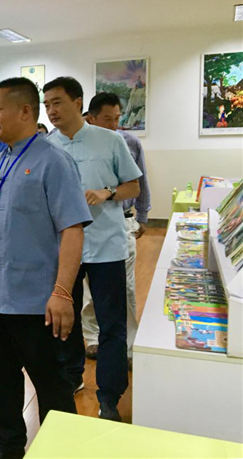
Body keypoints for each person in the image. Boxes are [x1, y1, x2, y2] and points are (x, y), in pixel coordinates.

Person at [0, 77, 92, 459]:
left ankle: (61, 452)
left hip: (35, 304)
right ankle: (7, 447)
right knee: (0, 381)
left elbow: (72, 229)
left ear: (25, 111)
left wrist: (62, 292)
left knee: (51, 385)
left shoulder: (54, 161)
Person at [44, 77, 142, 422]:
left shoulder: (110, 140)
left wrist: (107, 192)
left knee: (111, 323)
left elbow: (133, 186)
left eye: (57, 102)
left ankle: (110, 396)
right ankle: (71, 376)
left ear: (77, 103)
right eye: (46, 105)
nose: (51, 111)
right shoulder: (47, 146)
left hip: (106, 247)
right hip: (63, 251)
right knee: (63, 320)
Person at [82, 92, 152, 362]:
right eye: (107, 119)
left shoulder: (129, 142)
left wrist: (142, 215)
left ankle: (129, 346)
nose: (114, 125)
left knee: (125, 287)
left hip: (122, 221)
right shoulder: (80, 144)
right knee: (88, 290)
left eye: (117, 118)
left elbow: (140, 182)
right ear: (91, 118)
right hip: (86, 225)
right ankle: (92, 337)